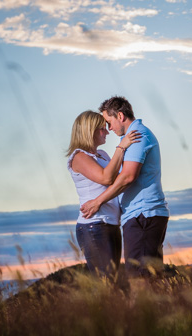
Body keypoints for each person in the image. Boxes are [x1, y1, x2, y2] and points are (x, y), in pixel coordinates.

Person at [80, 96, 169, 276]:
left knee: (139, 279)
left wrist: (97, 202)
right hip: (142, 215)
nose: (108, 128)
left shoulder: (138, 136)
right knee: (149, 278)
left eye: (109, 122)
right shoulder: (133, 136)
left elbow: (128, 177)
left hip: (143, 215)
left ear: (120, 116)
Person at [66, 110, 140, 276]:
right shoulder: (79, 156)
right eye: (102, 128)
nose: (107, 131)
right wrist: (122, 146)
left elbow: (120, 180)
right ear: (89, 130)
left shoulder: (103, 155)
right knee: (106, 282)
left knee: (113, 280)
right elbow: (106, 178)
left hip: (111, 224)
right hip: (93, 225)